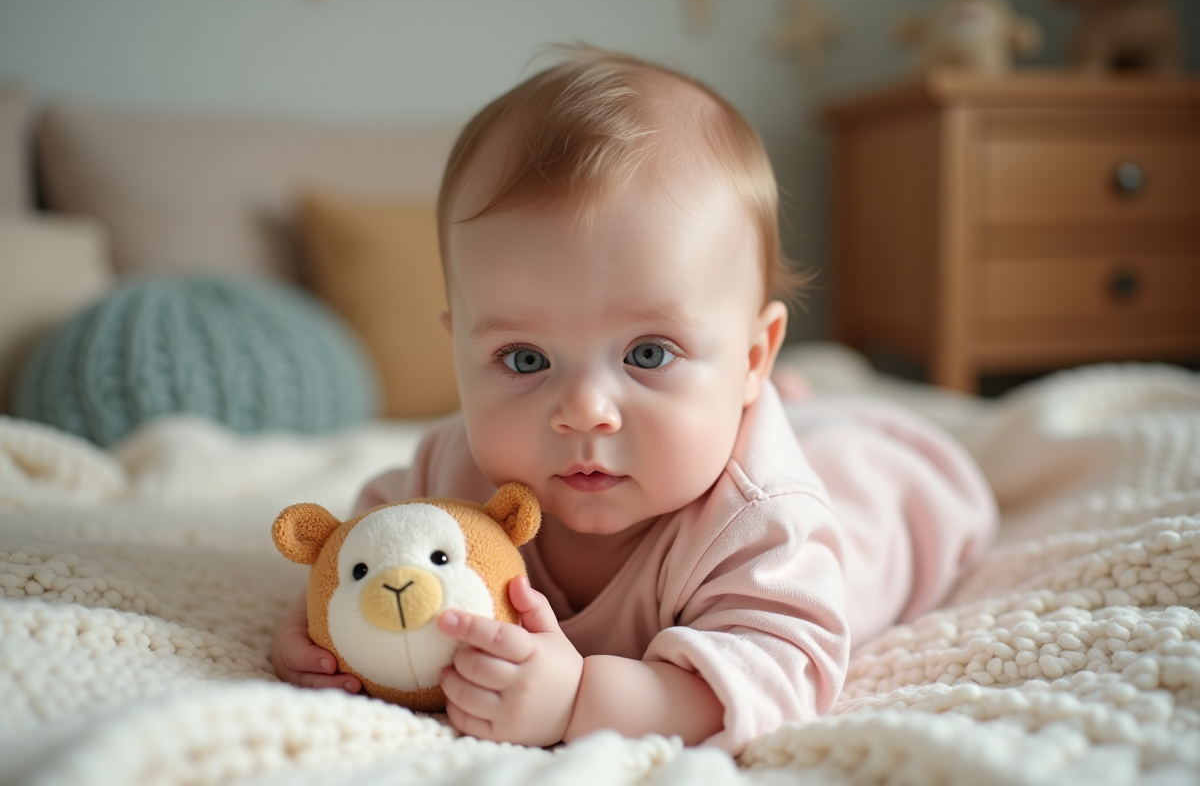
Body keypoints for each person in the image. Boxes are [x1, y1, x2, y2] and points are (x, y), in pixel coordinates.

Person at [271, 45, 996, 754]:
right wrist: (322, 631)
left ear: (751, 357)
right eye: (524, 359)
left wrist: (578, 699)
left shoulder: (763, 526)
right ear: (459, 350)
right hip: (728, 421)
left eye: (648, 354)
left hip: (896, 485)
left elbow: (778, 676)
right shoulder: (452, 472)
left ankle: (805, 410)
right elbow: (363, 550)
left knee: (851, 456)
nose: (585, 410)